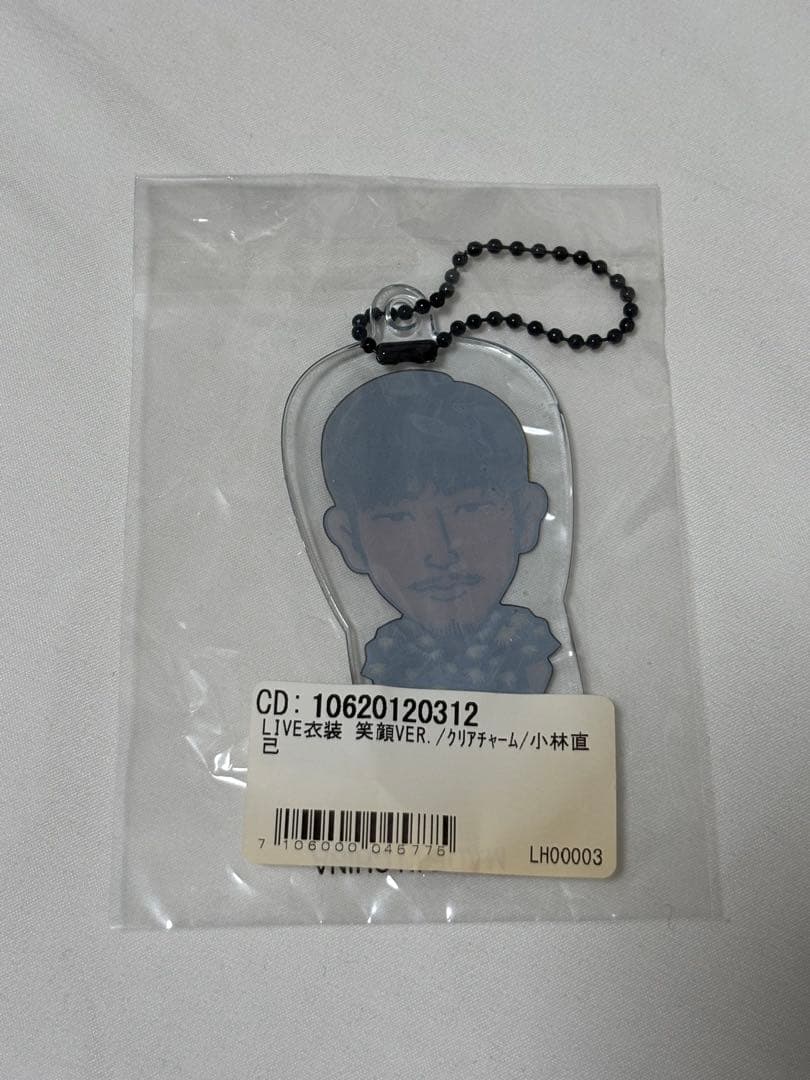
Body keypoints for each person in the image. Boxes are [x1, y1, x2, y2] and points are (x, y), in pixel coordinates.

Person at [321, 369, 559, 692]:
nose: (441, 551)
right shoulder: (389, 662)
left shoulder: (527, 652)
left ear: (527, 517)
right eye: (397, 518)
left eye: (470, 509)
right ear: (349, 539)